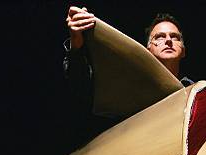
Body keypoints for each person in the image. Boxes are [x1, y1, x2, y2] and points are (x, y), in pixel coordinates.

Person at [63, 6, 193, 114]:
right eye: (159, 37)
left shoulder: (196, 94)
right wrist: (77, 44)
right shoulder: (130, 84)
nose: (168, 40)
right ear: (148, 50)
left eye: (175, 37)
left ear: (183, 50)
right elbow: (81, 88)